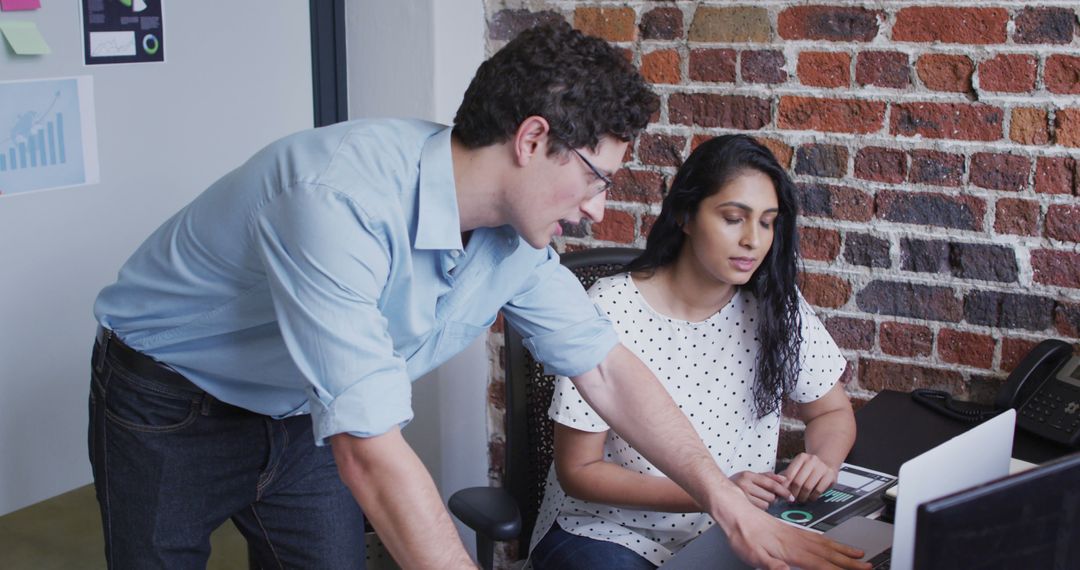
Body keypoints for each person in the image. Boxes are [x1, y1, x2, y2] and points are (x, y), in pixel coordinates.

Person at [89, 22, 867, 570]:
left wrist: (728, 505)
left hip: (298, 412)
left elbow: (609, 372)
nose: (598, 211)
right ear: (532, 140)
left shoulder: (516, 241)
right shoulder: (335, 201)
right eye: (595, 179)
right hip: (170, 403)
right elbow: (368, 449)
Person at [529, 134, 858, 569]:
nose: (753, 241)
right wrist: (717, 491)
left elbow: (832, 413)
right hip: (609, 531)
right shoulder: (610, 308)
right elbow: (579, 471)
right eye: (733, 218)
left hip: (734, 525)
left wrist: (823, 460)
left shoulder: (776, 303)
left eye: (767, 222)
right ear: (685, 215)